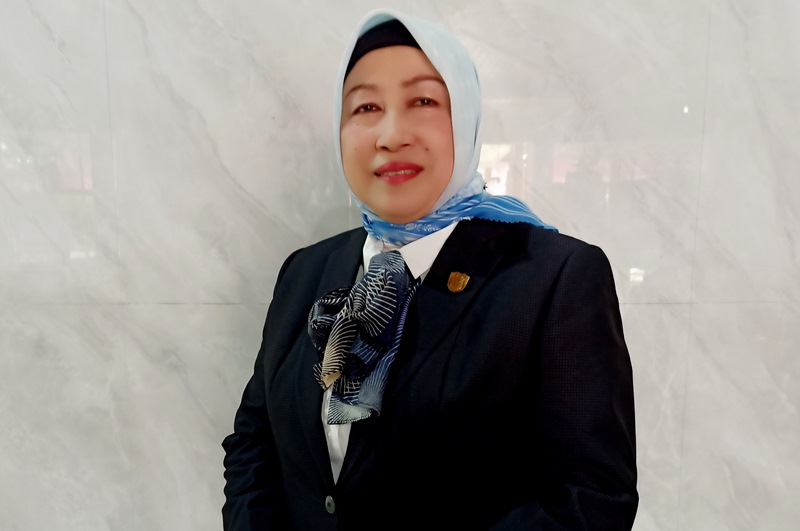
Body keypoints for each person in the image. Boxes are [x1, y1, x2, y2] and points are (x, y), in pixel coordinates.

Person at [222, 8, 638, 530]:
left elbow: (591, 497)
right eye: (366, 107)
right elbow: (254, 438)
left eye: (422, 101)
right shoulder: (306, 271)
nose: (391, 134)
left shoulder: (553, 279)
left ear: (465, 119)